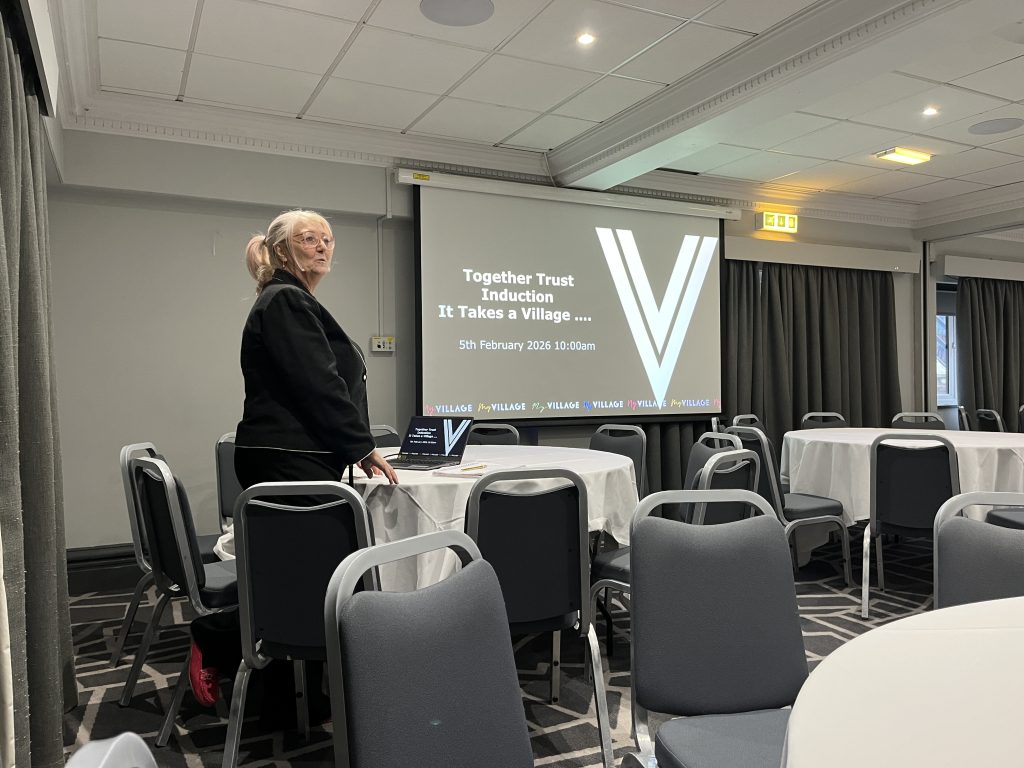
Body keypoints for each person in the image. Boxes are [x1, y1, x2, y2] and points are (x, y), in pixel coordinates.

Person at [189, 209, 397, 717]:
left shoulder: (293, 300)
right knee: (313, 576)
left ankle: (286, 688)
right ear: (283, 251)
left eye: (327, 240)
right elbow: (318, 384)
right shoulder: (285, 300)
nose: (323, 247)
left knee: (303, 572)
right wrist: (361, 445)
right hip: (288, 459)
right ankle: (215, 636)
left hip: (295, 456)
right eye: (309, 239)